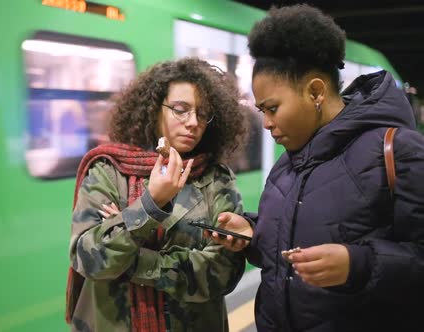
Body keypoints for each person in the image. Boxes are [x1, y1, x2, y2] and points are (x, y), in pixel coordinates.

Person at [211, 5, 424, 332]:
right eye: (261, 110)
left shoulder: (398, 151)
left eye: (272, 108)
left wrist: (359, 264)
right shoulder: (287, 164)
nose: (266, 124)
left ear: (315, 92)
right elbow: (291, 239)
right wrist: (252, 233)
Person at [66, 57, 247, 331]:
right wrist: (150, 205)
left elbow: (223, 271)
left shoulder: (216, 179)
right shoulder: (108, 170)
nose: (193, 123)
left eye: (202, 113)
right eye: (180, 109)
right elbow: (88, 258)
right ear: (153, 110)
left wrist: (134, 259)